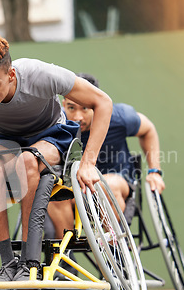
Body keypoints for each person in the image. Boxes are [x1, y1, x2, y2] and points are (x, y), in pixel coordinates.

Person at [0, 35, 113, 282]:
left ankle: (29, 261)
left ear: (11, 75)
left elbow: (103, 101)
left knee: (28, 160)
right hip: (4, 138)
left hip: (51, 135)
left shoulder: (41, 75)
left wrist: (89, 163)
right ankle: (8, 264)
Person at [47, 73, 165, 239]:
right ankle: (67, 258)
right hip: (75, 192)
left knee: (106, 185)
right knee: (53, 193)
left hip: (118, 181)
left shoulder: (120, 117)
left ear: (96, 104)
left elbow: (148, 130)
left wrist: (154, 171)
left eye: (85, 109)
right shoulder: (57, 123)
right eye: (72, 108)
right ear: (64, 104)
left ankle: (111, 254)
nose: (78, 117)